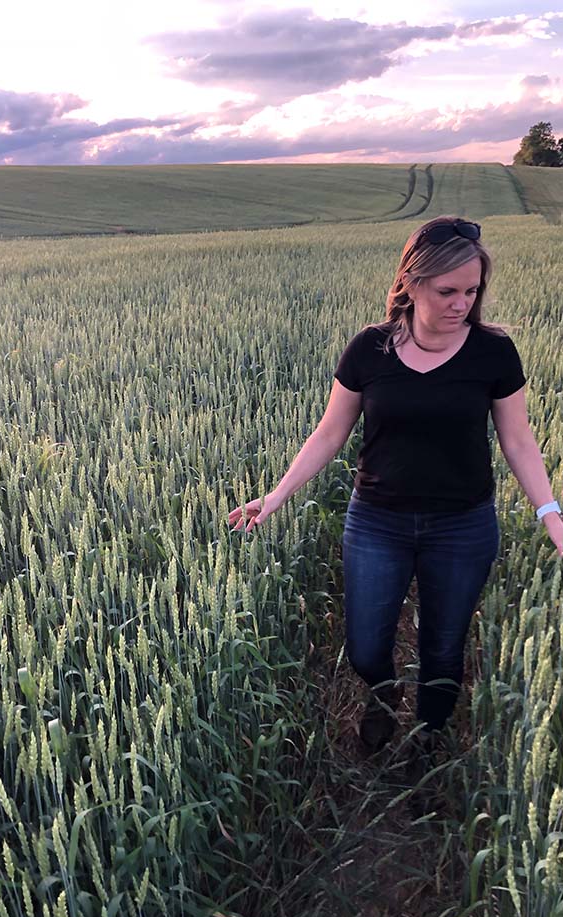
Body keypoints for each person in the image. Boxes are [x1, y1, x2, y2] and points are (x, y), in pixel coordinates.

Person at [228, 215, 563, 776]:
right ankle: (382, 694)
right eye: (447, 291)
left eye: (472, 291)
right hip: (377, 520)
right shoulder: (369, 350)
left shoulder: (493, 353)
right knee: (363, 645)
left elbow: (519, 441)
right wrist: (276, 495)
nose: (462, 303)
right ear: (411, 283)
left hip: (462, 524)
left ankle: (429, 739)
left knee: (443, 649)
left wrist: (551, 514)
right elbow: (330, 433)